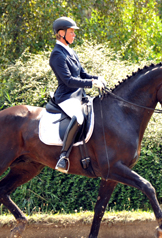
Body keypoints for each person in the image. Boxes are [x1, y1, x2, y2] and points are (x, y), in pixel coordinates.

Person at [49, 16, 106, 173]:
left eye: (74, 32)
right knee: (79, 118)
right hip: (66, 97)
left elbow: (82, 74)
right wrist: (91, 84)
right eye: (71, 32)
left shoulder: (71, 52)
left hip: (79, 96)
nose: (74, 35)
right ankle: (63, 157)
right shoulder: (57, 55)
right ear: (61, 33)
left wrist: (96, 78)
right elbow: (68, 80)